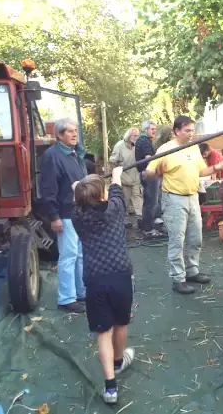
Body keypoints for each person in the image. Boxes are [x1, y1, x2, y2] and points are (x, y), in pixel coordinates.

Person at [71, 167, 135, 404]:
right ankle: (118, 361)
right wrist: (116, 174)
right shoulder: (115, 210)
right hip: (119, 275)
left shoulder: (78, 216)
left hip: (95, 279)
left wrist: (80, 186)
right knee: (120, 322)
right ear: (102, 196)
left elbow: (76, 199)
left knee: (103, 331)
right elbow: (117, 192)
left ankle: (110, 387)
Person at [145, 115, 223, 294]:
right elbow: (149, 172)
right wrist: (157, 171)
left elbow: (200, 171)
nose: (191, 134)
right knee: (177, 240)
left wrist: (215, 168)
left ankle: (192, 271)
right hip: (174, 198)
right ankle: (178, 278)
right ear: (176, 131)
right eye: (187, 130)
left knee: (195, 238)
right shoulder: (165, 149)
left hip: (193, 197)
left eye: (192, 130)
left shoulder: (193, 148)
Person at [40, 117, 87, 313]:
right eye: (69, 131)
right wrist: (54, 216)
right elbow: (48, 189)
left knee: (80, 255)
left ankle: (81, 291)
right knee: (68, 256)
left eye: (75, 130)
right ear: (59, 135)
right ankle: (67, 298)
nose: (74, 134)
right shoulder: (53, 155)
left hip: (78, 212)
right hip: (65, 214)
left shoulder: (74, 153)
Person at [135, 120, 164, 238]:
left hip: (144, 173)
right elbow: (149, 159)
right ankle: (148, 230)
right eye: (152, 129)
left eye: (155, 129)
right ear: (145, 130)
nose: (154, 131)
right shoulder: (145, 141)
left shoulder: (142, 140)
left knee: (149, 201)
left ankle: (148, 226)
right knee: (151, 202)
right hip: (149, 174)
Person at [109, 128, 143, 220]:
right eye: (134, 135)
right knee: (125, 200)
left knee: (138, 197)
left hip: (135, 177)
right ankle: (124, 219)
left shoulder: (138, 146)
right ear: (128, 136)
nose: (136, 137)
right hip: (124, 178)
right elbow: (112, 162)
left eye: (138, 135)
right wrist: (114, 176)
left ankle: (140, 218)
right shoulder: (119, 146)